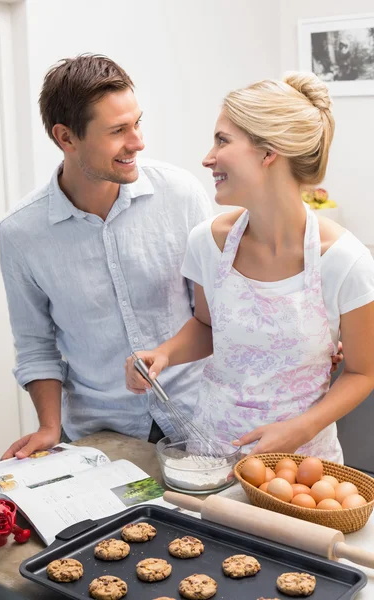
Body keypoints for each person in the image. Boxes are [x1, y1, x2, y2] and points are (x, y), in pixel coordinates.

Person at [125, 72, 374, 463]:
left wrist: (301, 428)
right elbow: (209, 327)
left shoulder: (345, 261)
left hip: (303, 467)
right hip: (209, 456)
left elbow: (362, 373)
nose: (208, 157)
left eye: (222, 140)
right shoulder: (208, 242)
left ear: (268, 153)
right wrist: (166, 353)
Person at [0, 54, 213, 459]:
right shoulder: (20, 233)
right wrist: (48, 427)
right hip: (102, 435)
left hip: (200, 416)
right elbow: (35, 344)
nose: (138, 142)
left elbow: (215, 314)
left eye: (137, 123)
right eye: (118, 130)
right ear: (66, 138)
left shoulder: (181, 196)